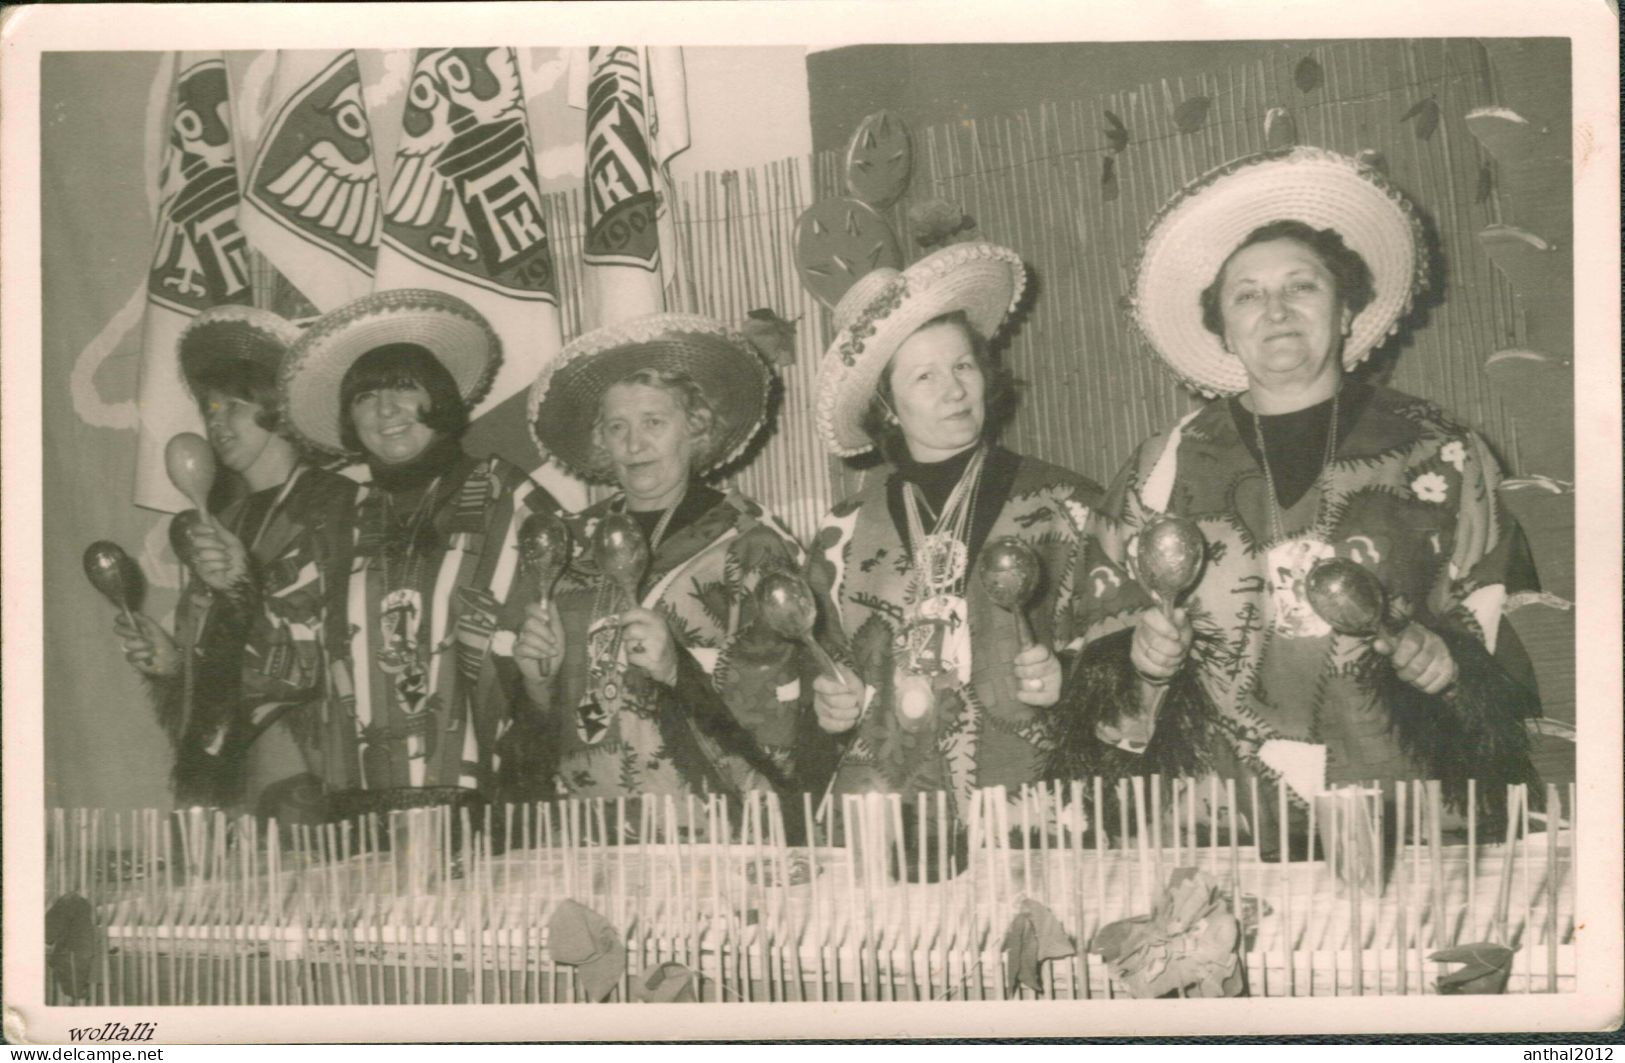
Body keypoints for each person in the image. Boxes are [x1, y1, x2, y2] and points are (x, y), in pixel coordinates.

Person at [1049, 147, 1540, 842]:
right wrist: (1140, 665)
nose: (1274, 310)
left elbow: (1511, 643)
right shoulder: (1159, 467)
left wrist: (1449, 669)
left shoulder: (1444, 453)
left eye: (1301, 286)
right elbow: (1090, 667)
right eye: (1246, 293)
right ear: (1221, 325)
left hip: (1409, 826)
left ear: (1344, 311)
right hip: (1216, 832)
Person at [804, 242, 1103, 817]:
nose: (956, 389)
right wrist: (830, 704)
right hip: (883, 813)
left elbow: (1121, 652)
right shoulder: (843, 529)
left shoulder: (1068, 504)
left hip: (1028, 803)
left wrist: (1067, 675)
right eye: (925, 376)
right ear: (887, 406)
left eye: (964, 365)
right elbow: (818, 667)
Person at [238, 288, 560, 818]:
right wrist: (231, 595)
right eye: (365, 397)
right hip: (357, 803)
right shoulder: (336, 517)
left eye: (404, 389)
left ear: (439, 399)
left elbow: (571, 622)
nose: (385, 410)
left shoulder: (509, 497)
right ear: (350, 419)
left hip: (490, 798)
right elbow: (286, 658)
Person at [520, 312, 824, 817]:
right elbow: (549, 727)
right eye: (616, 426)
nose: (633, 444)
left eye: (653, 423)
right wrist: (538, 679)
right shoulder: (569, 545)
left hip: (710, 834)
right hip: (586, 829)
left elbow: (795, 706)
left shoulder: (751, 545)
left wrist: (677, 669)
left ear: (696, 429)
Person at [113, 305, 354, 819]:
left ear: (275, 407)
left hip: (310, 768)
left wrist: (245, 588)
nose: (216, 422)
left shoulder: (337, 504)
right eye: (210, 408)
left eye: (235, 405)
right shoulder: (226, 518)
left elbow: (330, 657)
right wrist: (173, 664)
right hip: (225, 776)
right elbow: (214, 663)